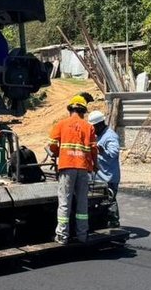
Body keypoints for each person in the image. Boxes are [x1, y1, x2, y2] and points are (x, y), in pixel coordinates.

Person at [48, 96, 98, 244]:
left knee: (64, 201)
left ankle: (62, 236)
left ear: (70, 109)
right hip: (83, 168)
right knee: (82, 202)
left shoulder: (61, 124)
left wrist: (58, 152)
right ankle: (82, 235)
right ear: (83, 111)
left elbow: (52, 144)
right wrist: (95, 164)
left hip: (67, 166)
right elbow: (94, 149)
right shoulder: (89, 127)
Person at [88, 110, 121, 227]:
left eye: (94, 127)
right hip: (98, 176)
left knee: (110, 201)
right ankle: (102, 222)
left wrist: (101, 150)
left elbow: (114, 153)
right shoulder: (99, 135)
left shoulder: (110, 136)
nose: (92, 129)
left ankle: (114, 224)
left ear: (100, 124)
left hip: (108, 177)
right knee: (100, 202)